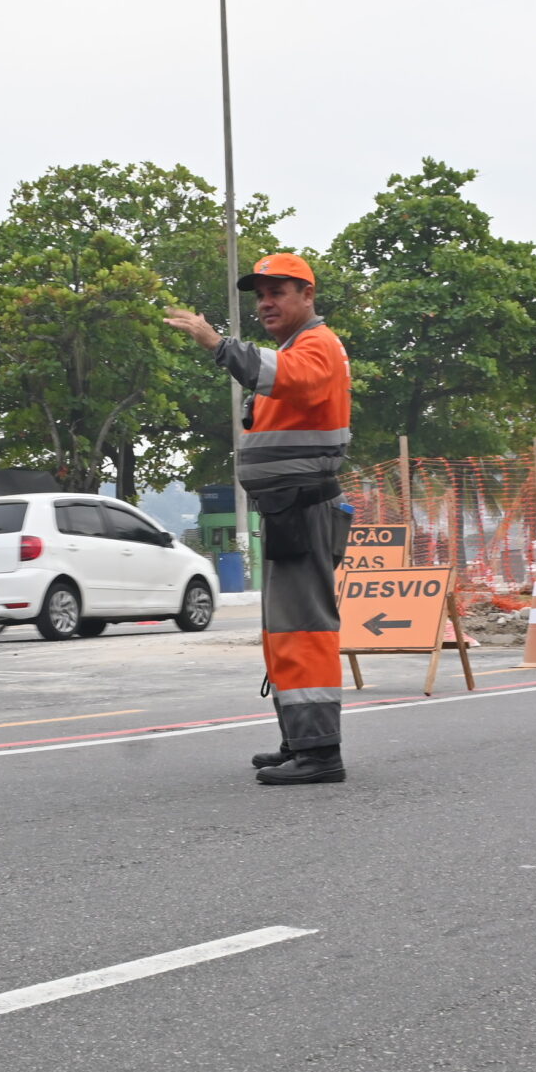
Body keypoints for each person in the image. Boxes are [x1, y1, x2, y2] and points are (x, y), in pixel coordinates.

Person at [163, 253, 352, 784]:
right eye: (260, 295)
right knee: (283, 629)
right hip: (288, 510)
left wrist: (217, 343)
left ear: (307, 296)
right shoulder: (298, 346)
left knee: (304, 628)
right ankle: (300, 741)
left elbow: (286, 377)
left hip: (303, 508)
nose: (266, 302)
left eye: (279, 292)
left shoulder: (316, 346)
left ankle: (320, 752)